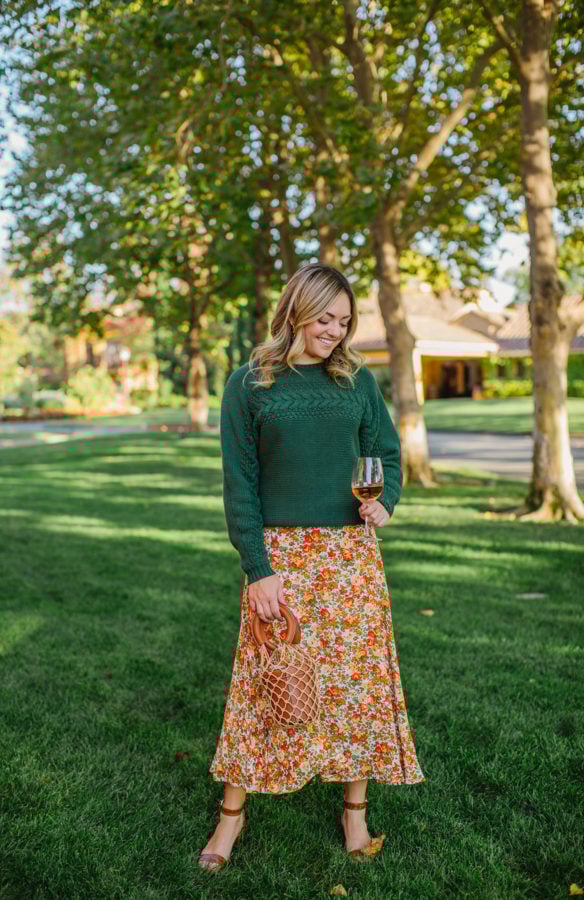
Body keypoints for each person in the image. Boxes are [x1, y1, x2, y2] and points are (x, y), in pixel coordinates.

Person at [199, 263, 424, 873]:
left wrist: (386, 502)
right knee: (265, 684)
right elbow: (239, 484)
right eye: (326, 318)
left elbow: (386, 455)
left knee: (356, 684)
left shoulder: (356, 381)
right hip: (282, 560)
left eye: (345, 321)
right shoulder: (250, 384)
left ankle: (355, 810)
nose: (335, 331)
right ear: (296, 309)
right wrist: (258, 568)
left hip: (351, 556)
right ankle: (231, 818)